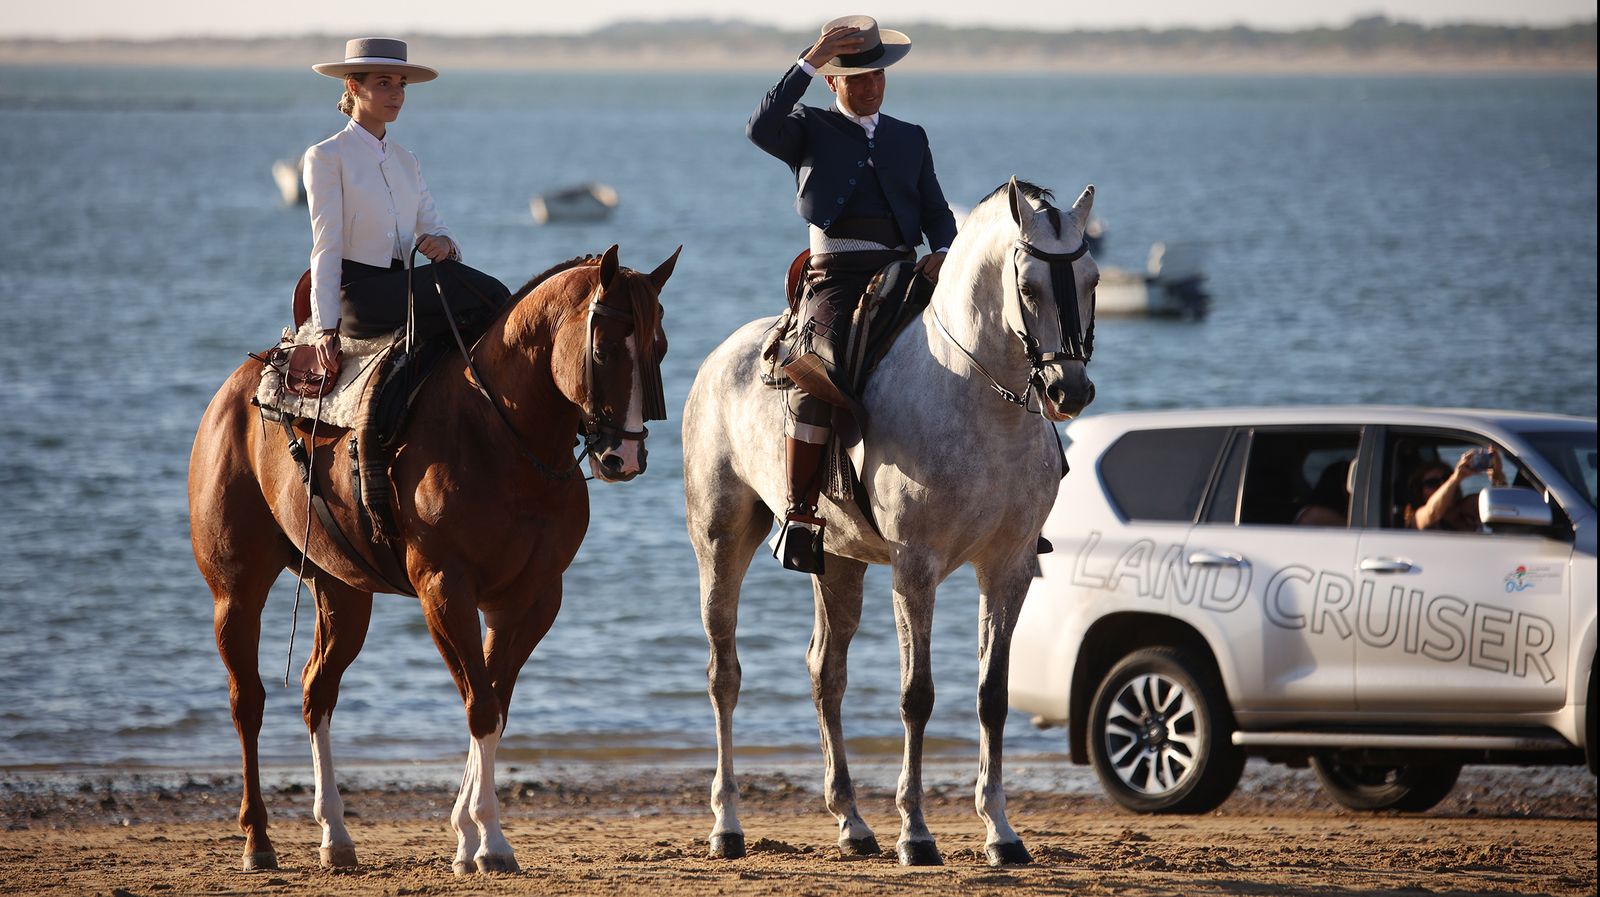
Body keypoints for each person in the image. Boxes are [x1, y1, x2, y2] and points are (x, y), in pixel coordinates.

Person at [747, 15, 959, 573]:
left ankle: (1014, 505)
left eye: (878, 77)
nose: (871, 87)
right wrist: (808, 58)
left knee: (987, 343)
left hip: (906, 269)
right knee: (821, 368)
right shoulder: (807, 128)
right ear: (832, 82)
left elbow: (936, 211)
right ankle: (799, 514)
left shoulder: (910, 137)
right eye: (858, 79)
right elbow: (759, 127)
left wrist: (946, 253)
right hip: (836, 276)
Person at [305, 38, 506, 372]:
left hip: (403, 289)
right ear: (354, 87)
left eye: (402, 85)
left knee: (461, 284)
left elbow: (437, 228)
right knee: (486, 292)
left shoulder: (407, 161)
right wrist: (326, 328)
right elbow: (325, 246)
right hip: (358, 299)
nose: (397, 94)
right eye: (384, 83)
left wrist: (444, 244)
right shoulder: (327, 156)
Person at [1406, 448, 1505, 531]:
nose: (1441, 485)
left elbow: (1503, 507)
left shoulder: (1466, 507)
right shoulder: (1417, 517)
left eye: (1445, 479)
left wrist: (1498, 477)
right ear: (1419, 491)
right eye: (1432, 483)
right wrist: (1455, 478)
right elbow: (1432, 513)